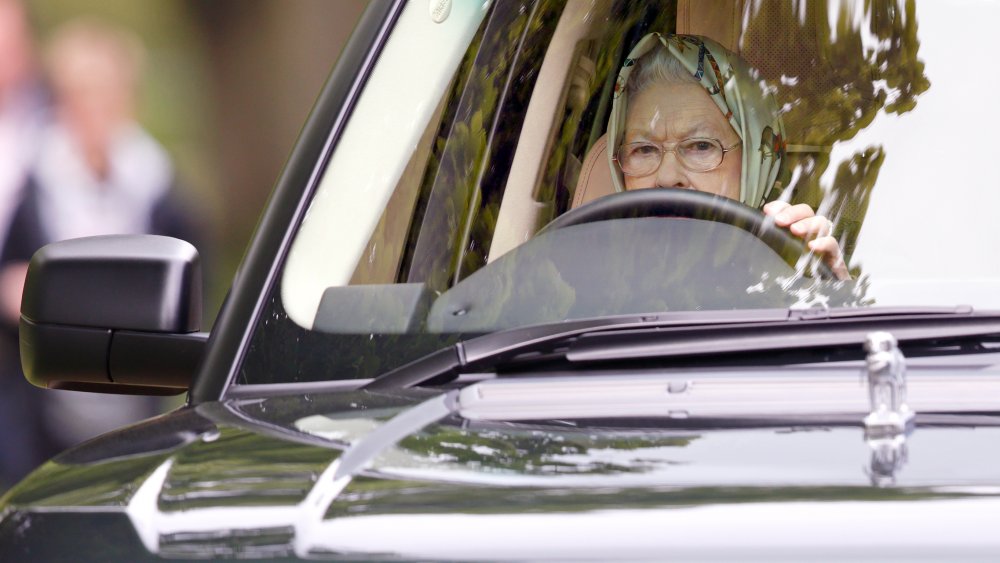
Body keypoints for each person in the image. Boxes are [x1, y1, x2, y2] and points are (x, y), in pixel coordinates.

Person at [0, 19, 205, 457]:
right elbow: (9, 276)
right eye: (79, 96)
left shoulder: (159, 186)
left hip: (138, 407)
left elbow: (194, 294)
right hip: (48, 415)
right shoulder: (35, 188)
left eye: (104, 93)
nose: (92, 111)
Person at [606, 33, 849, 280]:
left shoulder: (832, 255)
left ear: (754, 162)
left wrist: (833, 299)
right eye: (644, 149)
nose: (667, 178)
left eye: (701, 146)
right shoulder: (587, 270)